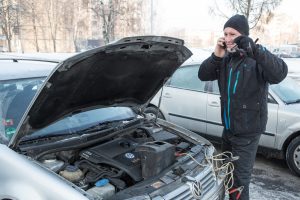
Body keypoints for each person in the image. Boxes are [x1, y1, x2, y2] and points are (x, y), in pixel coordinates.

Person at [198, 14, 288, 200]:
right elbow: (203, 74)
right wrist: (216, 54)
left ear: (244, 35)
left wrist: (255, 49)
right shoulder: (226, 59)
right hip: (229, 129)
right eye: (225, 33)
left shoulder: (256, 58)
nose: (228, 38)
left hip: (248, 132)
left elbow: (280, 73)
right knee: (226, 175)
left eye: (233, 34)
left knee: (239, 183)